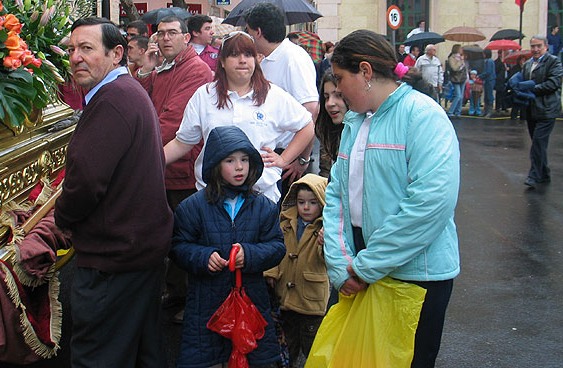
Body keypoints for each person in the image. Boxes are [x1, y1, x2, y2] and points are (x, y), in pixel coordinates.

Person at [324, 29, 460, 368]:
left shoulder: (423, 116)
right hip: (358, 266)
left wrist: (367, 265)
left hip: (415, 274)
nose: (337, 90)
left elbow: (430, 205)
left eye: (341, 78)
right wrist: (342, 264)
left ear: (366, 72)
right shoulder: (356, 121)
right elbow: (337, 194)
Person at [54, 17, 172, 368]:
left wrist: (62, 216)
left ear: (117, 53)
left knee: (100, 355)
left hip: (116, 259)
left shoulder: (113, 100)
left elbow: (86, 182)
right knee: (141, 350)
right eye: (73, 49)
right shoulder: (124, 92)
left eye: (87, 48)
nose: (76, 57)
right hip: (137, 251)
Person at [170, 125, 286, 368]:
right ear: (214, 165)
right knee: (209, 359)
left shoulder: (263, 206)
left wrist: (250, 254)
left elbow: (277, 247)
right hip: (206, 306)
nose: (240, 166)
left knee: (251, 359)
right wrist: (203, 257)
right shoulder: (193, 207)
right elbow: (178, 247)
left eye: (245, 159)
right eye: (230, 160)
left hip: (251, 303)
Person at [164, 31, 315, 204]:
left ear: (256, 60)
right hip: (213, 198)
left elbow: (307, 126)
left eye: (248, 54)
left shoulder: (273, 95)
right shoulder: (204, 95)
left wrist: (284, 159)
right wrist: (155, 159)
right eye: (234, 55)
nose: (242, 60)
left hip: (260, 196)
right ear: (222, 61)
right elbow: (182, 142)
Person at [136, 15, 214, 321]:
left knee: (184, 237)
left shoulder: (195, 69)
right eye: (160, 34)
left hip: (180, 168)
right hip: (163, 165)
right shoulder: (164, 67)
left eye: (172, 33)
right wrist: (145, 70)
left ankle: (189, 300)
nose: (165, 39)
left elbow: (171, 121)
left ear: (186, 38)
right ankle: (177, 292)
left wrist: (137, 150)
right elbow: (142, 103)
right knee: (171, 235)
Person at [244, 3, 319, 185]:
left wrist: (301, 158)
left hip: (287, 156)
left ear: (258, 32)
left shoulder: (293, 58)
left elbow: (311, 109)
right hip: (272, 156)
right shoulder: (268, 58)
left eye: (248, 32)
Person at [264, 174, 329, 367]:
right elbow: (275, 249)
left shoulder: (327, 229)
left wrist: (327, 243)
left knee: (314, 348)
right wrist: (271, 272)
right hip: (285, 298)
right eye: (301, 202)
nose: (306, 208)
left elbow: (328, 260)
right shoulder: (285, 224)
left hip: (311, 302)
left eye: (312, 202)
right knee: (286, 346)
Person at [521, 34, 563, 189]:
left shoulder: (554, 61)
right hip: (532, 109)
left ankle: (534, 176)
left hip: (547, 110)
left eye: (539, 46)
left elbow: (554, 83)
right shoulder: (527, 64)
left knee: (538, 143)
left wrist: (532, 89)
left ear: (546, 46)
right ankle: (544, 173)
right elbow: (523, 82)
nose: (536, 49)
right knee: (538, 143)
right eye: (533, 46)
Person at [315, 70, 348, 179]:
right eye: (326, 97)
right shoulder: (327, 130)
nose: (330, 103)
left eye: (338, 95)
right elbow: (325, 173)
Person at [446, 44, 467, 118]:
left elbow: (464, 68)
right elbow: (454, 68)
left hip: (462, 78)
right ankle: (451, 111)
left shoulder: (462, 58)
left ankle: (458, 112)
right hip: (456, 79)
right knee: (458, 95)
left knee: (461, 96)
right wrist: (460, 61)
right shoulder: (452, 58)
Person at [479, 49, 496, 117]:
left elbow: (488, 72)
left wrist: (480, 76)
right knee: (486, 96)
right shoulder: (487, 61)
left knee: (489, 96)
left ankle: (489, 111)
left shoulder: (489, 61)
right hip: (487, 80)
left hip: (490, 80)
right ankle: (485, 111)